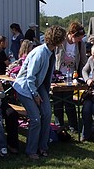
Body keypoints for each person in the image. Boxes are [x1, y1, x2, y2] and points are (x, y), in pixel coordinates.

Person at [13, 25, 67, 160]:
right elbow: (30, 77)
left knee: (47, 114)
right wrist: (35, 95)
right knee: (36, 119)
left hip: (39, 85)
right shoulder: (40, 53)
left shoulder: (51, 52)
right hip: (25, 87)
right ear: (58, 40)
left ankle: (43, 146)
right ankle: (31, 150)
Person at [54, 22, 87, 132]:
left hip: (72, 76)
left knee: (69, 101)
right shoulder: (61, 42)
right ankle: (59, 125)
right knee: (58, 101)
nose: (79, 40)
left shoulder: (80, 44)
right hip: (59, 75)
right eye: (78, 38)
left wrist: (83, 76)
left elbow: (83, 60)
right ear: (72, 35)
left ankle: (73, 125)